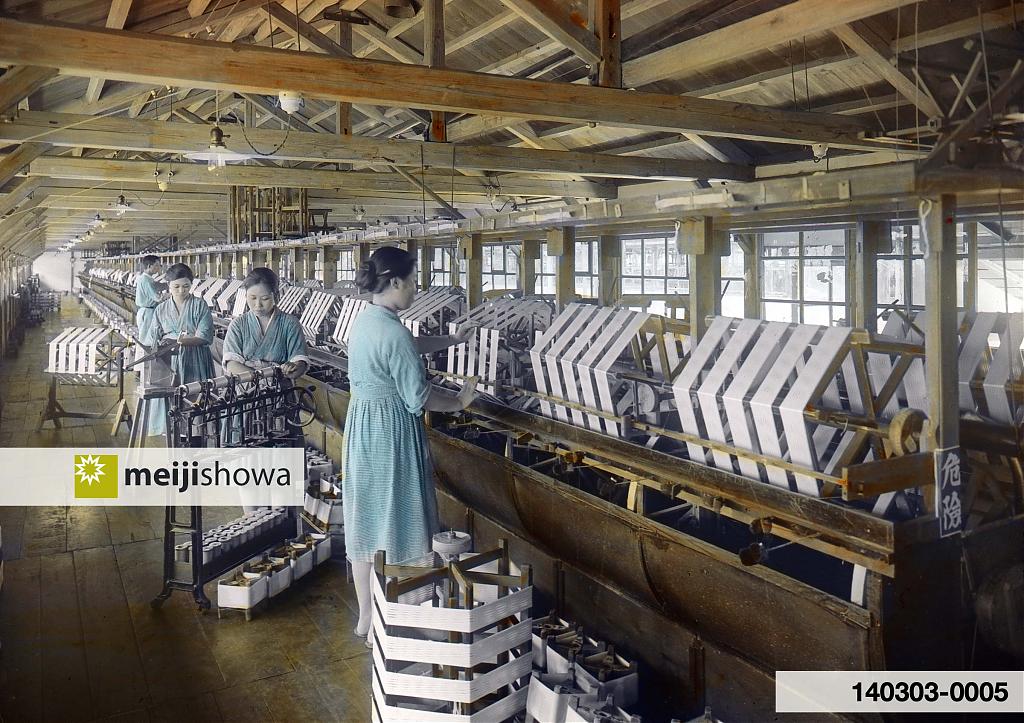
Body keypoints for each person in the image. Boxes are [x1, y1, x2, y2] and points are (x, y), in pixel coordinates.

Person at [343, 246, 477, 647]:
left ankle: (367, 618)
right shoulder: (395, 331)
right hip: (392, 435)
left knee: (366, 519)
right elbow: (419, 397)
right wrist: (459, 401)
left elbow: (405, 346)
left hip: (362, 426)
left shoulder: (366, 320)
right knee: (403, 517)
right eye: (415, 280)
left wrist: (450, 339)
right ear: (397, 281)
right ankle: (405, 622)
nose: (417, 289)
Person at [147, 263, 216, 439]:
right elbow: (153, 339)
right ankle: (174, 436)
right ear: (168, 286)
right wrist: (161, 345)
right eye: (176, 287)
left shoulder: (200, 305)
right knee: (172, 400)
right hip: (170, 362)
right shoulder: (161, 309)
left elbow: (205, 336)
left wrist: (180, 341)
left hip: (195, 358)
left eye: (186, 286)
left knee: (195, 399)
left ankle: (195, 437)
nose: (181, 291)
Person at [222, 267, 310, 380]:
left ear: (276, 296)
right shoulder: (238, 325)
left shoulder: (290, 323)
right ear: (245, 296)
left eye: (265, 298)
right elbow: (231, 364)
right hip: (247, 388)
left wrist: (294, 368)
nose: (258, 305)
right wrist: (261, 380)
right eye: (252, 298)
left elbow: (299, 360)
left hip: (280, 388)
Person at [134, 255, 165, 365]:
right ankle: (142, 366)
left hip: (146, 311)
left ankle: (141, 367)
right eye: (156, 265)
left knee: (145, 338)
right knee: (146, 340)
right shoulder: (147, 280)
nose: (159, 268)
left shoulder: (146, 278)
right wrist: (175, 293)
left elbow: (158, 286)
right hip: (148, 312)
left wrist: (169, 284)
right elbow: (158, 298)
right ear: (148, 266)